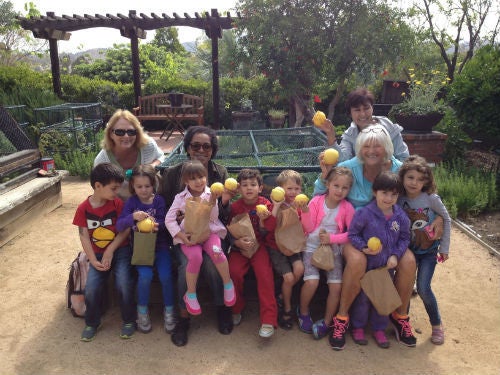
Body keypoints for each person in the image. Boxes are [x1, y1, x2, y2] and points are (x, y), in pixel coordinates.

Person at [313, 124, 419, 350]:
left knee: (409, 261)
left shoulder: (400, 170)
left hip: (390, 236)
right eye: (366, 146)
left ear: (387, 148)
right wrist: (324, 176)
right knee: (358, 260)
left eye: (377, 146)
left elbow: (422, 189)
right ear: (360, 149)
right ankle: (342, 318)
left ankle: (400, 317)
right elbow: (322, 190)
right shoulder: (349, 168)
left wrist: (439, 218)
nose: (372, 150)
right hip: (356, 234)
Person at [159, 126, 234, 346]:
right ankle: (184, 317)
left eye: (207, 146)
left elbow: (224, 215)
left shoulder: (219, 174)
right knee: (187, 265)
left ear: (213, 150)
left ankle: (222, 308)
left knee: (214, 262)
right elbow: (165, 210)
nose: (201, 150)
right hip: (187, 237)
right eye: (195, 145)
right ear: (188, 147)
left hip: (210, 233)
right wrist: (181, 230)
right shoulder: (174, 173)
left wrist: (224, 201)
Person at [72, 163, 135, 342]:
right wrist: (92, 259)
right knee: (91, 288)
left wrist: (110, 250)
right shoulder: (83, 208)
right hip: (97, 255)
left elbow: (125, 230)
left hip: (120, 250)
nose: (117, 192)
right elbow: (84, 236)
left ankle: (129, 320)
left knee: (123, 283)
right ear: (98, 186)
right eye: (113, 188)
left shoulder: (116, 204)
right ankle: (92, 322)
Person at [348, 171, 411, 349]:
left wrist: (395, 255)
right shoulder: (365, 213)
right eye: (384, 193)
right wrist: (363, 248)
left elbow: (405, 238)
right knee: (363, 298)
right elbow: (353, 234)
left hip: (387, 268)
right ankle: (358, 327)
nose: (389, 198)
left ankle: (379, 329)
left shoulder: (400, 216)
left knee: (382, 298)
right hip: (368, 267)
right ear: (375, 192)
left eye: (394, 194)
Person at [165, 160, 235, 316]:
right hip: (190, 235)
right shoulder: (180, 197)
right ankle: (190, 294)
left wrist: (213, 202)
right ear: (186, 181)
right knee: (195, 257)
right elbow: (169, 220)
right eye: (193, 178)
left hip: (210, 232)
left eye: (201, 177)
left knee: (217, 251)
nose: (198, 181)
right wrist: (181, 235)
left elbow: (214, 218)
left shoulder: (211, 193)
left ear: (206, 177)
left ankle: (227, 283)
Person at [116, 164, 175, 334]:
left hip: (161, 247)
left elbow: (166, 222)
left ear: (154, 185)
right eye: (139, 186)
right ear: (132, 186)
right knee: (144, 276)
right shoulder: (131, 203)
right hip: (141, 250)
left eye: (147, 186)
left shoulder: (159, 201)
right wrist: (132, 217)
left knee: (165, 276)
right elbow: (120, 225)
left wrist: (158, 226)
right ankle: (142, 311)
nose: (143, 190)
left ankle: (169, 310)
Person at [398, 155, 451, 345]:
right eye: (411, 177)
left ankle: (436, 325)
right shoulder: (398, 198)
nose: (415, 183)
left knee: (423, 288)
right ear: (402, 177)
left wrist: (444, 247)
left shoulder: (431, 199)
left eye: (421, 180)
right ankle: (403, 321)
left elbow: (446, 218)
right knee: (404, 285)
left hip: (428, 252)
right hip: (408, 250)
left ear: (427, 182)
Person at [298, 167, 355, 340]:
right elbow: (307, 228)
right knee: (312, 281)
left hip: (333, 250)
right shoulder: (316, 201)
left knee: (336, 286)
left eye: (345, 188)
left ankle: (327, 321)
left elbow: (352, 234)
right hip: (311, 248)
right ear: (328, 184)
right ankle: (303, 311)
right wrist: (306, 212)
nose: (340, 191)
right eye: (336, 185)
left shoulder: (347, 207)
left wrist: (333, 239)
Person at [228, 169, 278, 338]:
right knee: (233, 272)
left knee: (265, 275)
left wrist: (265, 218)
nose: (248, 188)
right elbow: (226, 230)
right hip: (239, 248)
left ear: (260, 187)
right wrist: (236, 242)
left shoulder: (266, 204)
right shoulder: (235, 207)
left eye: (253, 184)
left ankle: (268, 319)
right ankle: (236, 308)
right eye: (244, 185)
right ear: (238, 189)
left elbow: (270, 229)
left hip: (260, 247)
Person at [315, 88, 409, 163]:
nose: (363, 114)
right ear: (350, 113)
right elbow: (342, 161)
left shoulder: (389, 127)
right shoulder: (350, 134)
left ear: (372, 107)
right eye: (357, 110)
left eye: (366, 108)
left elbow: (404, 158)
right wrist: (331, 135)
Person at [94, 109, 165, 200]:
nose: (126, 136)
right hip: (121, 205)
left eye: (131, 132)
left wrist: (152, 165)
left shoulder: (148, 145)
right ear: (111, 134)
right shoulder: (102, 161)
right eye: (120, 132)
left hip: (151, 200)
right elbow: (100, 191)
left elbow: (161, 156)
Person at [269, 170, 306, 330]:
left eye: (297, 189)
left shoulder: (298, 206)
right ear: (280, 189)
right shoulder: (273, 205)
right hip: (276, 247)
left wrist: (304, 211)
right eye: (289, 188)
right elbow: (269, 226)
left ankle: (281, 295)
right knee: (289, 278)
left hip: (292, 245)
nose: (293, 192)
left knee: (299, 269)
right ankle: (287, 308)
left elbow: (305, 226)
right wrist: (276, 206)